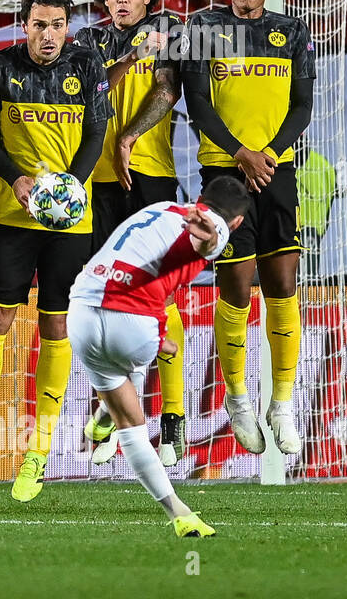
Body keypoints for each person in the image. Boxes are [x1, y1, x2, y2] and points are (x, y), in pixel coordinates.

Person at [0, 0, 110, 501]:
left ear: (68, 26)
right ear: (25, 25)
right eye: (39, 24)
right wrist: (16, 179)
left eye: (57, 25)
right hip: (12, 216)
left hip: (69, 222)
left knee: (57, 325)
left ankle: (38, 453)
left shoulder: (86, 66)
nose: (48, 35)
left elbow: (95, 134)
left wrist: (72, 183)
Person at [180, 0, 315, 457]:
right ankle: (237, 396)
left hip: (276, 171)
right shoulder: (202, 28)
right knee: (236, 285)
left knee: (283, 282)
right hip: (223, 173)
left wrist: (270, 154)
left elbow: (303, 104)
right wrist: (241, 154)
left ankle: (282, 402)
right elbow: (197, 103)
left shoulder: (293, 32)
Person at [67, 177, 251, 537]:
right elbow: (205, 240)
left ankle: (108, 410)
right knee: (134, 415)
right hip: (133, 325)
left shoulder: (156, 210)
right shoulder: (216, 227)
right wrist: (212, 235)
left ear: (199, 198)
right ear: (237, 222)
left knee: (123, 394)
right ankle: (180, 515)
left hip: (82, 310)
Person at [73, 0, 188, 466]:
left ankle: (175, 419)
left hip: (152, 174)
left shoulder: (169, 30)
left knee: (159, 295)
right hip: (97, 182)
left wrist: (129, 138)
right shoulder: (88, 40)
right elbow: (90, 96)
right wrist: (125, 60)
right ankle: (112, 413)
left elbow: (167, 90)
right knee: (107, 298)